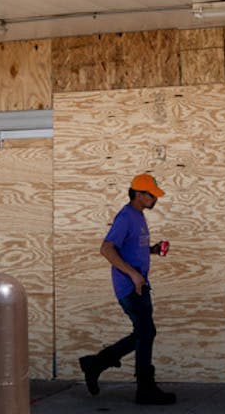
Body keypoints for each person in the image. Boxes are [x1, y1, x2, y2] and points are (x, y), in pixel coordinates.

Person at [78, 173, 177, 405]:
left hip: (140, 284)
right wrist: (133, 275)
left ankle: (97, 363)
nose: (156, 199)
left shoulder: (139, 216)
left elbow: (131, 248)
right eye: (152, 195)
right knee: (146, 332)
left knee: (144, 333)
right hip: (130, 286)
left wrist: (152, 250)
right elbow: (106, 248)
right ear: (140, 194)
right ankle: (145, 388)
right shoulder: (126, 217)